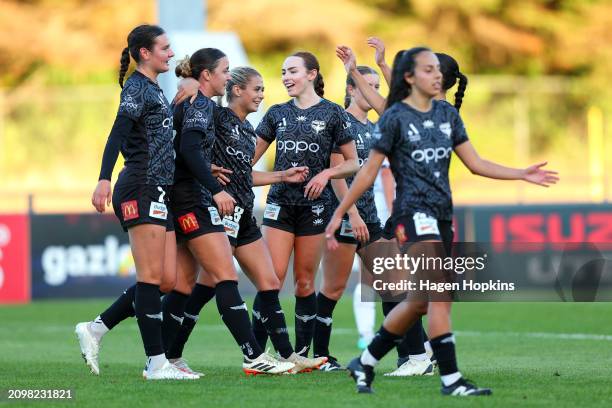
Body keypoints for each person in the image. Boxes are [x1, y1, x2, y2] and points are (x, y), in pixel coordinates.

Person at [329, 46, 558, 395]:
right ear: (410, 78)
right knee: (440, 293)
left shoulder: (448, 115)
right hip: (411, 215)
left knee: (420, 301)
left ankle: (367, 361)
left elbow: (476, 163)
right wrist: (340, 211)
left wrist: (520, 174)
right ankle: (451, 380)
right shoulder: (394, 117)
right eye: (428, 69)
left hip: (441, 216)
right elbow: (366, 173)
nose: (436, 75)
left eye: (439, 70)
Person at [166, 66, 328, 373]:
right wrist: (189, 85)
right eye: (257, 89)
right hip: (219, 213)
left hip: (243, 217)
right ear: (237, 90)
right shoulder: (217, 117)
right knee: (204, 288)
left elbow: (243, 174)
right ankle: (171, 354)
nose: (262, 95)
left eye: (263, 90)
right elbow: (191, 130)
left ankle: (286, 356)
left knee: (269, 283)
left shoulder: (246, 130)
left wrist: (282, 176)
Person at [75, 24, 198, 380]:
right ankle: (156, 363)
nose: (171, 53)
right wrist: (103, 178)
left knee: (166, 280)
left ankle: (95, 329)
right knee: (150, 277)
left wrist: (191, 88)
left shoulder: (155, 89)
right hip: (140, 185)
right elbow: (118, 131)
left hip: (160, 188)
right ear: (145, 53)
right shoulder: (135, 87)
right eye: (165, 48)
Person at [251, 52, 359, 357]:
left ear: (312, 74)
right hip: (279, 206)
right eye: (283, 71)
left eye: (293, 71)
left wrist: (326, 173)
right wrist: (280, 176)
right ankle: (257, 354)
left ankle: (300, 354)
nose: (286, 77)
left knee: (304, 281)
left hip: (316, 208)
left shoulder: (334, 113)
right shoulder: (275, 114)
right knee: (271, 278)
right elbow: (246, 163)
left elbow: (353, 163)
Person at [311, 64, 383, 371]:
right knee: (333, 288)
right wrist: (351, 213)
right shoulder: (342, 122)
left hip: (371, 215)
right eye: (367, 85)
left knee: (393, 283)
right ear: (351, 89)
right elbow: (337, 174)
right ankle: (322, 356)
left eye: (377, 86)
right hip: (345, 216)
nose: (373, 91)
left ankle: (412, 356)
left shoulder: (375, 127)